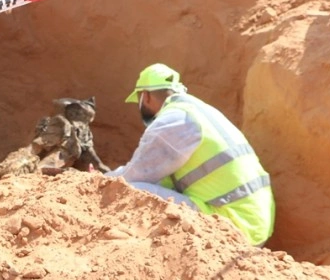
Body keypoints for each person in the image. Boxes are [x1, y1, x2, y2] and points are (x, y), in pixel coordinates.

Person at [106, 63, 275, 247]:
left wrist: (98, 180)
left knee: (129, 190)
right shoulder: (201, 110)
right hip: (257, 223)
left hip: (233, 224)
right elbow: (165, 180)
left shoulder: (174, 120)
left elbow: (133, 176)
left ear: (145, 96)